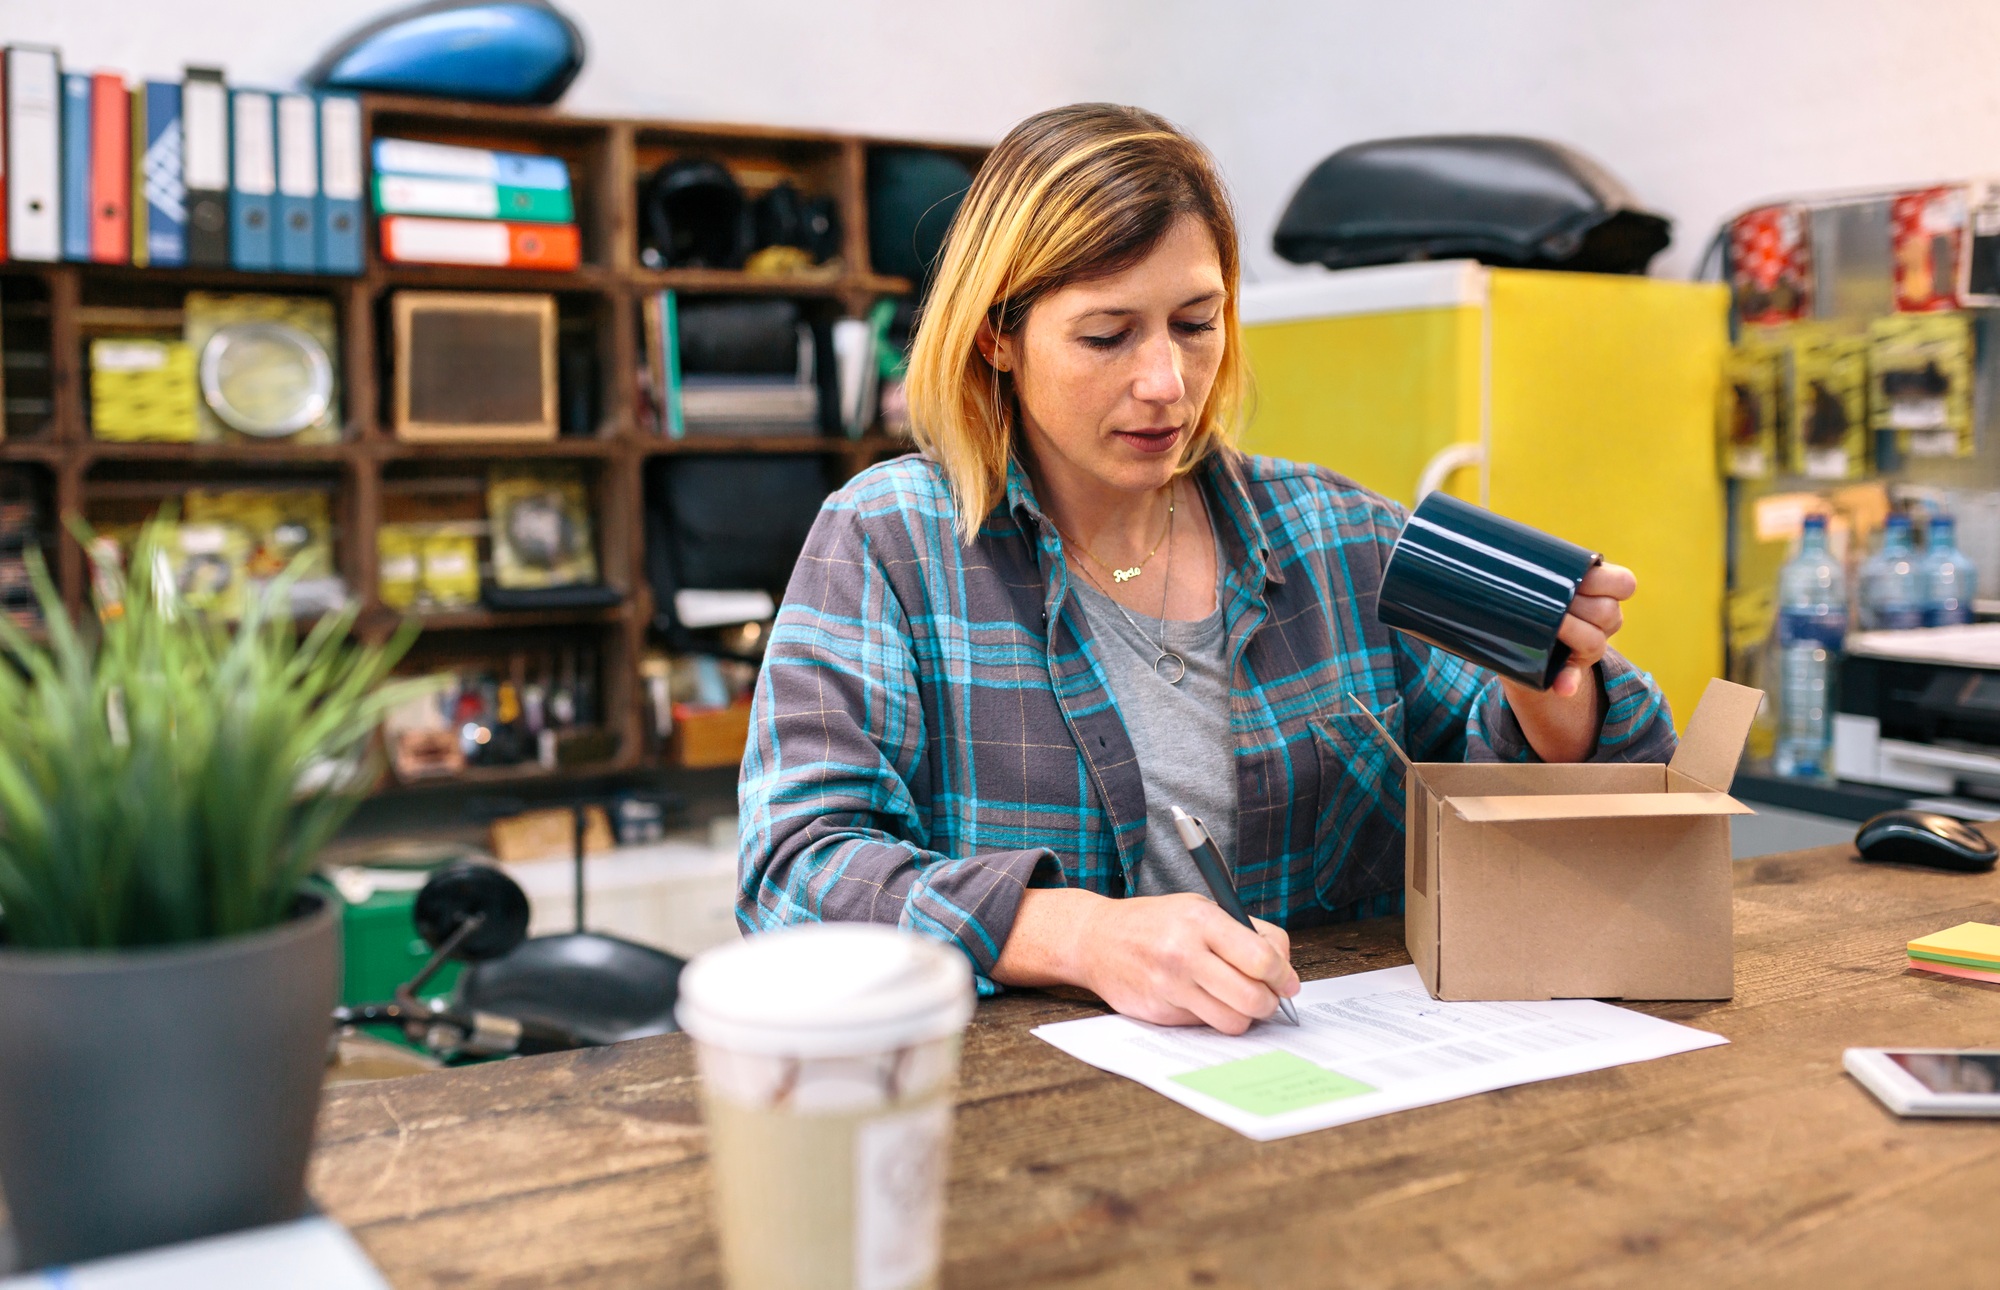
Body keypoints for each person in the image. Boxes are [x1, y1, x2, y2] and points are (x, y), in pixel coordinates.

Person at [739, 103, 1675, 1035]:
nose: (1166, 383)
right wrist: (1079, 937)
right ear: (997, 337)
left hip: (1333, 1082)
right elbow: (793, 871)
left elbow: (1615, 799)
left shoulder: (1336, 534)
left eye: (1196, 323)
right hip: (1031, 1106)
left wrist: (1552, 689)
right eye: (1106, 336)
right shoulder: (891, 542)